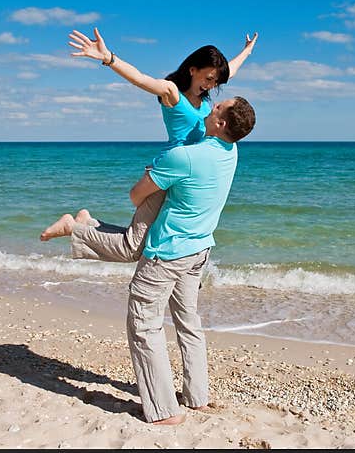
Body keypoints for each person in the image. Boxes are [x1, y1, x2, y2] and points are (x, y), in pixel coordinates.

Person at [39, 27, 258, 258]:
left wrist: (247, 51)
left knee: (139, 241)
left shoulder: (205, 98)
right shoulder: (172, 92)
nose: (212, 85)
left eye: (215, 81)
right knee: (132, 248)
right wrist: (108, 58)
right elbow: (140, 79)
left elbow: (229, 72)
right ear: (193, 70)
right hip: (167, 171)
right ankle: (72, 227)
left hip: (183, 175)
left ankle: (87, 223)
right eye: (208, 79)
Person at [117, 96, 256, 424]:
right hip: (199, 252)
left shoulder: (184, 157)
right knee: (188, 321)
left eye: (217, 107)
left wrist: (156, 171)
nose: (211, 107)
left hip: (167, 254)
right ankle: (197, 397)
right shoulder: (230, 152)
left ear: (221, 123)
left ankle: (165, 411)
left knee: (144, 325)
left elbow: (136, 196)